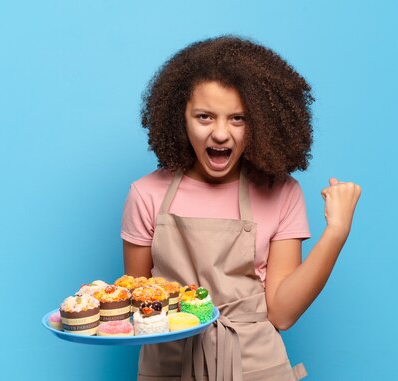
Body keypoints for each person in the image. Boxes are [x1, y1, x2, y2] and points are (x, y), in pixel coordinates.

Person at [121, 35, 361, 381]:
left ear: (261, 122)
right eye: (204, 117)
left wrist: (336, 233)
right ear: (180, 118)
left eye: (238, 119)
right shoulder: (145, 194)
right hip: (168, 369)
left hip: (257, 368)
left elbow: (281, 313)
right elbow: (140, 305)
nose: (221, 134)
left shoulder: (281, 193)